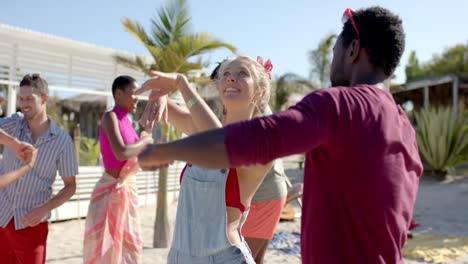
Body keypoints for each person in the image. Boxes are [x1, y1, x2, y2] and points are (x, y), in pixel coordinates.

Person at [138, 6, 423, 264]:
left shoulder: (338, 105)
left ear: (353, 50)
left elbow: (256, 139)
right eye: (226, 73)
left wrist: (163, 151)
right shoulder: (404, 129)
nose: (231, 79)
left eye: (336, 46)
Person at [138, 55, 278, 263]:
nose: (231, 78)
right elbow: (159, 99)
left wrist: (181, 84)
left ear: (260, 92)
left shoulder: (260, 146)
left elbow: (220, 145)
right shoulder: (199, 129)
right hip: (180, 257)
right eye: (226, 74)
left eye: (242, 74)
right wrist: (160, 95)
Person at [0, 73, 78, 264]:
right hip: (1, 217)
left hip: (31, 224)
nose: (23, 104)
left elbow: (70, 186)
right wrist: (13, 143)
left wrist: (45, 208)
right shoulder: (15, 123)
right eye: (21, 98)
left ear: (44, 99)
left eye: (29, 98)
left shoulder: (62, 141)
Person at [83, 76, 153, 264]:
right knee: (102, 249)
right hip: (108, 192)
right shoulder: (110, 117)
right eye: (134, 92)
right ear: (119, 93)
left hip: (126, 191)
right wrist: (145, 140)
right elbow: (121, 152)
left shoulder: (128, 122)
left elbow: (133, 155)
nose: (138, 97)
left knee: (129, 249)